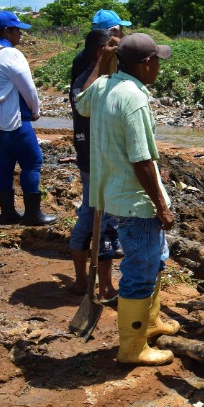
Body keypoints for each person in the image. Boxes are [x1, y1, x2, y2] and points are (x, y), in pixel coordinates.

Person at [76, 33, 179, 366]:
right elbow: (141, 159)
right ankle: (132, 348)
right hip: (135, 200)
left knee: (155, 259)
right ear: (146, 64)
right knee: (140, 269)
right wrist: (161, 206)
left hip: (113, 192)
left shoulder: (105, 86)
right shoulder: (132, 97)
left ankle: (150, 322)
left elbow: (81, 102)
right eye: (157, 62)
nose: (159, 68)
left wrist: (101, 64)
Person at [0, 10, 57, 226]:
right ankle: (32, 215)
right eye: (17, 30)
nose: (20, 34)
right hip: (14, 121)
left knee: (3, 164)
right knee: (32, 162)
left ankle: (8, 213)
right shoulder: (11, 54)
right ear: (6, 31)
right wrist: (36, 109)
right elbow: (28, 88)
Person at [68, 29, 122, 300]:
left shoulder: (107, 80)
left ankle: (94, 283)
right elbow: (82, 104)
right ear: (100, 52)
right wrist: (102, 64)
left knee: (97, 219)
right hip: (93, 160)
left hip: (102, 159)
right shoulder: (85, 81)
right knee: (99, 221)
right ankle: (93, 283)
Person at [70, 9, 130, 88]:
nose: (123, 34)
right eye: (121, 29)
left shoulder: (80, 57)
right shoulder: (117, 55)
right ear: (113, 31)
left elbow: (74, 94)